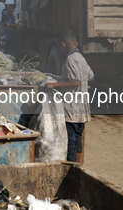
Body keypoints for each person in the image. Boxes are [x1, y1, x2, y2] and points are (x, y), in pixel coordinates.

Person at [45, 31, 94, 162]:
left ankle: (72, 169)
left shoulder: (70, 59)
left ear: (63, 45)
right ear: (76, 44)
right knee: (78, 139)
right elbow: (92, 76)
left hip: (72, 109)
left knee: (70, 142)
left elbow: (75, 82)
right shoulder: (81, 58)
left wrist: (54, 85)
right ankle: (78, 165)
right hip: (82, 109)